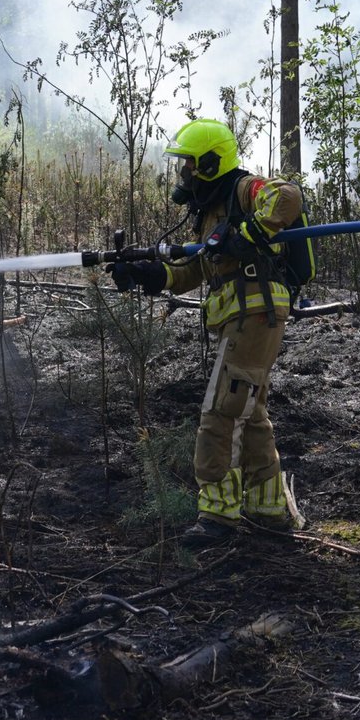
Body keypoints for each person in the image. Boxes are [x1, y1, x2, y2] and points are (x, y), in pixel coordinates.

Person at [109, 118, 302, 546]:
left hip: (256, 314)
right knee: (249, 412)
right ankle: (268, 510)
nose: (184, 174)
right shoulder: (212, 211)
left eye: (190, 165)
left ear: (212, 163)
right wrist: (149, 275)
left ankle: (218, 516)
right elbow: (195, 269)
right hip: (245, 318)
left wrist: (249, 232)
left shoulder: (242, 189)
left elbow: (287, 196)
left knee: (221, 410)